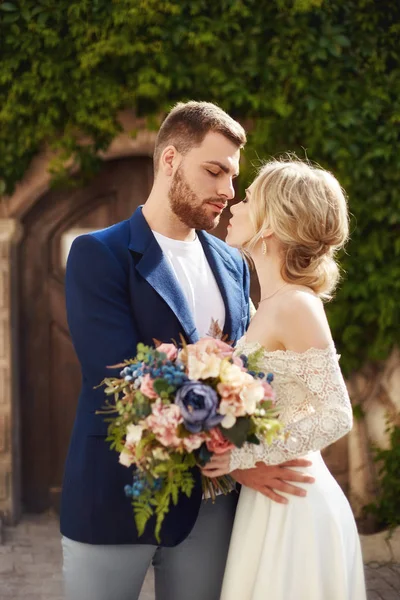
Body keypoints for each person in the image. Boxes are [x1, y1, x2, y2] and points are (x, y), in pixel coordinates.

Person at [60, 102, 315, 600]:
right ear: (170, 160)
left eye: (233, 176)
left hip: (212, 512)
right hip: (116, 497)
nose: (229, 190)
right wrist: (242, 462)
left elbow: (249, 372)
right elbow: (122, 380)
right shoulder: (99, 254)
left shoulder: (233, 262)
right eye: (214, 171)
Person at [202, 157, 367, 599]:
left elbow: (336, 415)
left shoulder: (297, 304)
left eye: (250, 196)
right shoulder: (268, 305)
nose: (235, 203)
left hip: (295, 503)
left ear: (271, 224)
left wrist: (240, 457)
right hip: (269, 501)